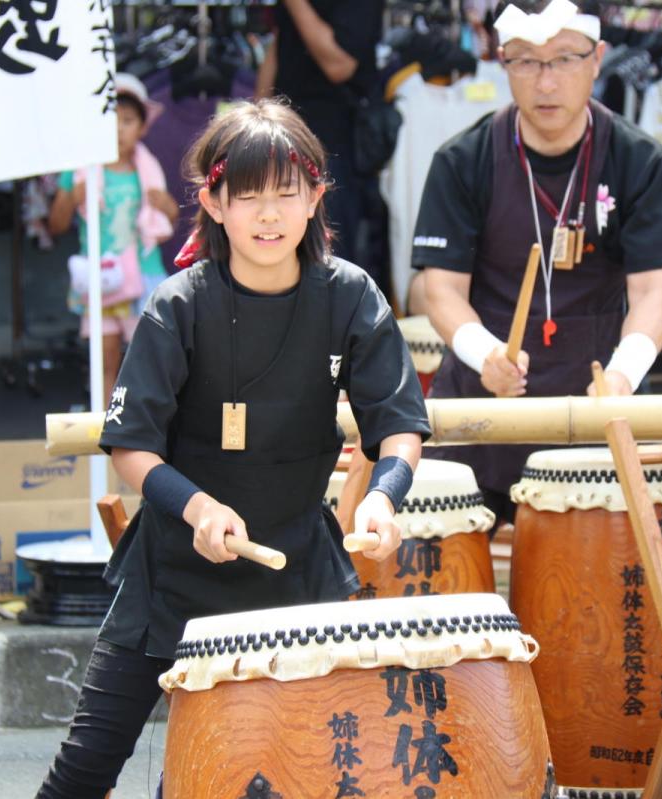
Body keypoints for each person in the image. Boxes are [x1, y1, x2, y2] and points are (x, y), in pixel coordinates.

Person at [36, 99, 431, 798]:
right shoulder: (177, 305)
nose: (270, 214)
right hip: (173, 575)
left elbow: (398, 422)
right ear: (214, 202)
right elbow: (131, 445)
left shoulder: (349, 296)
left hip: (296, 575)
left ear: (315, 197)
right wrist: (195, 508)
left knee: (266, 774)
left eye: (287, 192)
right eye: (249, 195)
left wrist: (382, 495)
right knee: (84, 770)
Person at [411, 0, 662, 521]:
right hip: (486, 404)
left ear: (598, 57)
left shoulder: (639, 161)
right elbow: (441, 288)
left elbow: (652, 291)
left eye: (564, 59)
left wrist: (623, 377)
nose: (545, 82)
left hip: (597, 406)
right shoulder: (461, 160)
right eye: (526, 61)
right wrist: (486, 355)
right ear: (501, 61)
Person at [48, 73, 180, 410]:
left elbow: (170, 216)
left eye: (127, 121)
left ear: (142, 128)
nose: (119, 129)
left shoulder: (147, 170)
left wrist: (164, 204)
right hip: (100, 280)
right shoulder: (80, 171)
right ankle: (105, 429)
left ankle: (143, 426)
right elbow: (56, 224)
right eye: (111, 121)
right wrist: (72, 197)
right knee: (103, 360)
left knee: (145, 359)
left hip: (143, 276)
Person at [256, 0, 386, 275]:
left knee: (330, 253)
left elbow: (339, 64)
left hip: (334, 142)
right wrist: (256, 118)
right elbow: (281, 45)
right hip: (285, 134)